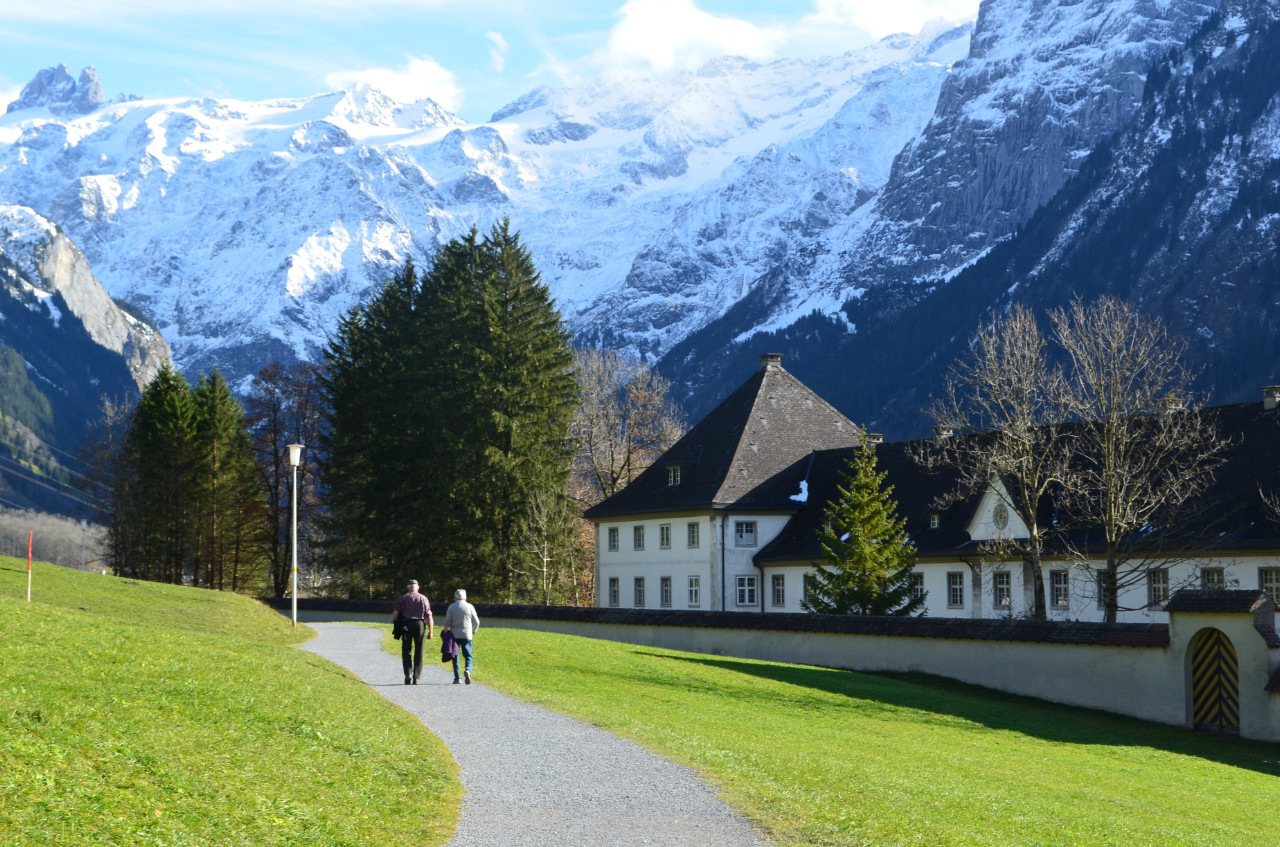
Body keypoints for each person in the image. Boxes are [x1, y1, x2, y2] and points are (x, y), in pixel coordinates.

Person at [392, 579, 433, 685]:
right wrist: (431, 632)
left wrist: (399, 623)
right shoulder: (423, 598)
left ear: (408, 588)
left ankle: (408, 674)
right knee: (419, 651)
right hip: (419, 624)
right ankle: (416, 677)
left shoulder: (403, 598)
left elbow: (395, 614)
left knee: (406, 650)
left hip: (406, 625)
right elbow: (429, 616)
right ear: (417, 588)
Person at [442, 589, 479, 684]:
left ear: (455, 598)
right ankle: (468, 670)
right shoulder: (470, 607)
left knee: (455, 655)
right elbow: (476, 621)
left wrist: (445, 632)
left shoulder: (451, 607)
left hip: (454, 634)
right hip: (467, 634)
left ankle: (457, 678)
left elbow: (447, 621)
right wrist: (474, 630)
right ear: (465, 598)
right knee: (468, 655)